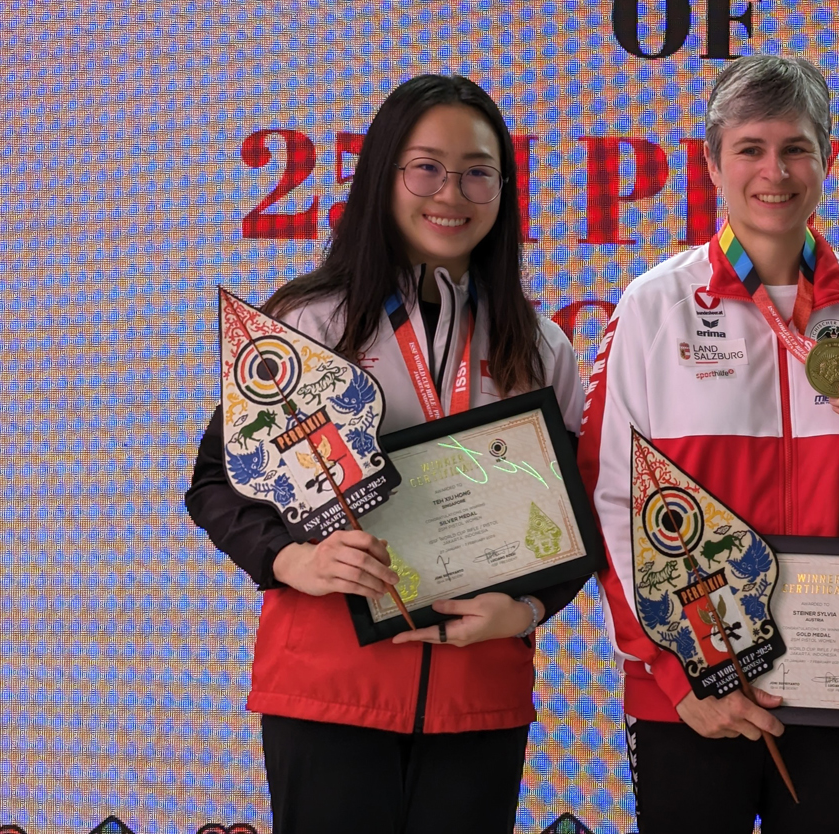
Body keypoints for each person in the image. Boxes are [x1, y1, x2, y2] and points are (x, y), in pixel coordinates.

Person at [185, 74, 587, 834]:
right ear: (382, 177)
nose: (452, 192)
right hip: (327, 685)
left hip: (480, 692)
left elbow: (578, 521)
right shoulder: (308, 322)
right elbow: (217, 482)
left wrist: (529, 608)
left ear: (503, 188)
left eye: (478, 171)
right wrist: (289, 560)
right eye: (426, 166)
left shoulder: (539, 347)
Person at [577, 55, 839, 833]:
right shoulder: (653, 305)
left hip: (837, 671)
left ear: (829, 159)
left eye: (797, 148)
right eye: (751, 148)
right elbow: (607, 500)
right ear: (710, 162)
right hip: (691, 682)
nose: (776, 171)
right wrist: (674, 672)